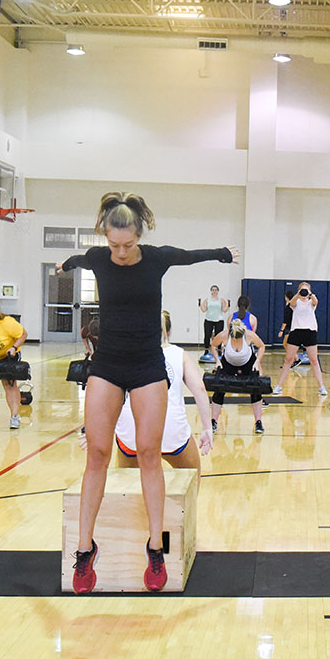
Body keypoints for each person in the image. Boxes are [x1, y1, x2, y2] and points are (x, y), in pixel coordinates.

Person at [57, 191, 239, 594]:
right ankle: (85, 551)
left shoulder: (156, 257)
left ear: (140, 234)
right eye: (113, 244)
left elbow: (191, 254)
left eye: (128, 244)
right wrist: (64, 262)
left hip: (146, 366)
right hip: (107, 364)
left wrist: (223, 254)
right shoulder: (98, 257)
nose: (120, 252)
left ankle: (155, 547)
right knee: (98, 455)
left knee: (148, 454)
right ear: (105, 235)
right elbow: (78, 260)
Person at [115, 311, 212, 486]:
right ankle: (185, 512)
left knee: (124, 485)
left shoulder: (128, 353)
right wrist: (207, 428)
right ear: (168, 332)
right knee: (192, 478)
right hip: (171, 430)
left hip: (132, 432)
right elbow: (200, 389)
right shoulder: (180, 354)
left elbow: (113, 392)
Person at [210, 318, 266, 435]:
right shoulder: (224, 335)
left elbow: (261, 346)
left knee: (255, 389)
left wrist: (257, 362)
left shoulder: (250, 335)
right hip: (229, 362)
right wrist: (217, 360)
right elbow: (213, 346)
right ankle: (213, 421)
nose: (236, 340)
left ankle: (258, 422)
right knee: (219, 389)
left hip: (247, 362)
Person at [273, 282, 328, 396]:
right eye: (302, 290)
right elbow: (292, 303)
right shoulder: (295, 302)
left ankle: (321, 387)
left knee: (314, 361)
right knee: (288, 360)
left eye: (306, 290)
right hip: (296, 332)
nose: (304, 292)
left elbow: (315, 301)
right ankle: (278, 386)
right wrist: (298, 294)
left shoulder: (311, 302)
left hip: (310, 332)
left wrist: (309, 293)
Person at [199, 285, 228, 359]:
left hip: (219, 320)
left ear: (218, 291)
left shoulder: (221, 300)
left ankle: (218, 350)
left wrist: (228, 304)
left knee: (218, 336)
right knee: (207, 335)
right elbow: (203, 310)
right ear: (211, 291)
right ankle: (206, 350)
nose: (214, 291)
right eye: (213, 290)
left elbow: (224, 310)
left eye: (216, 290)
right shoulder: (207, 300)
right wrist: (200, 304)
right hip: (209, 320)